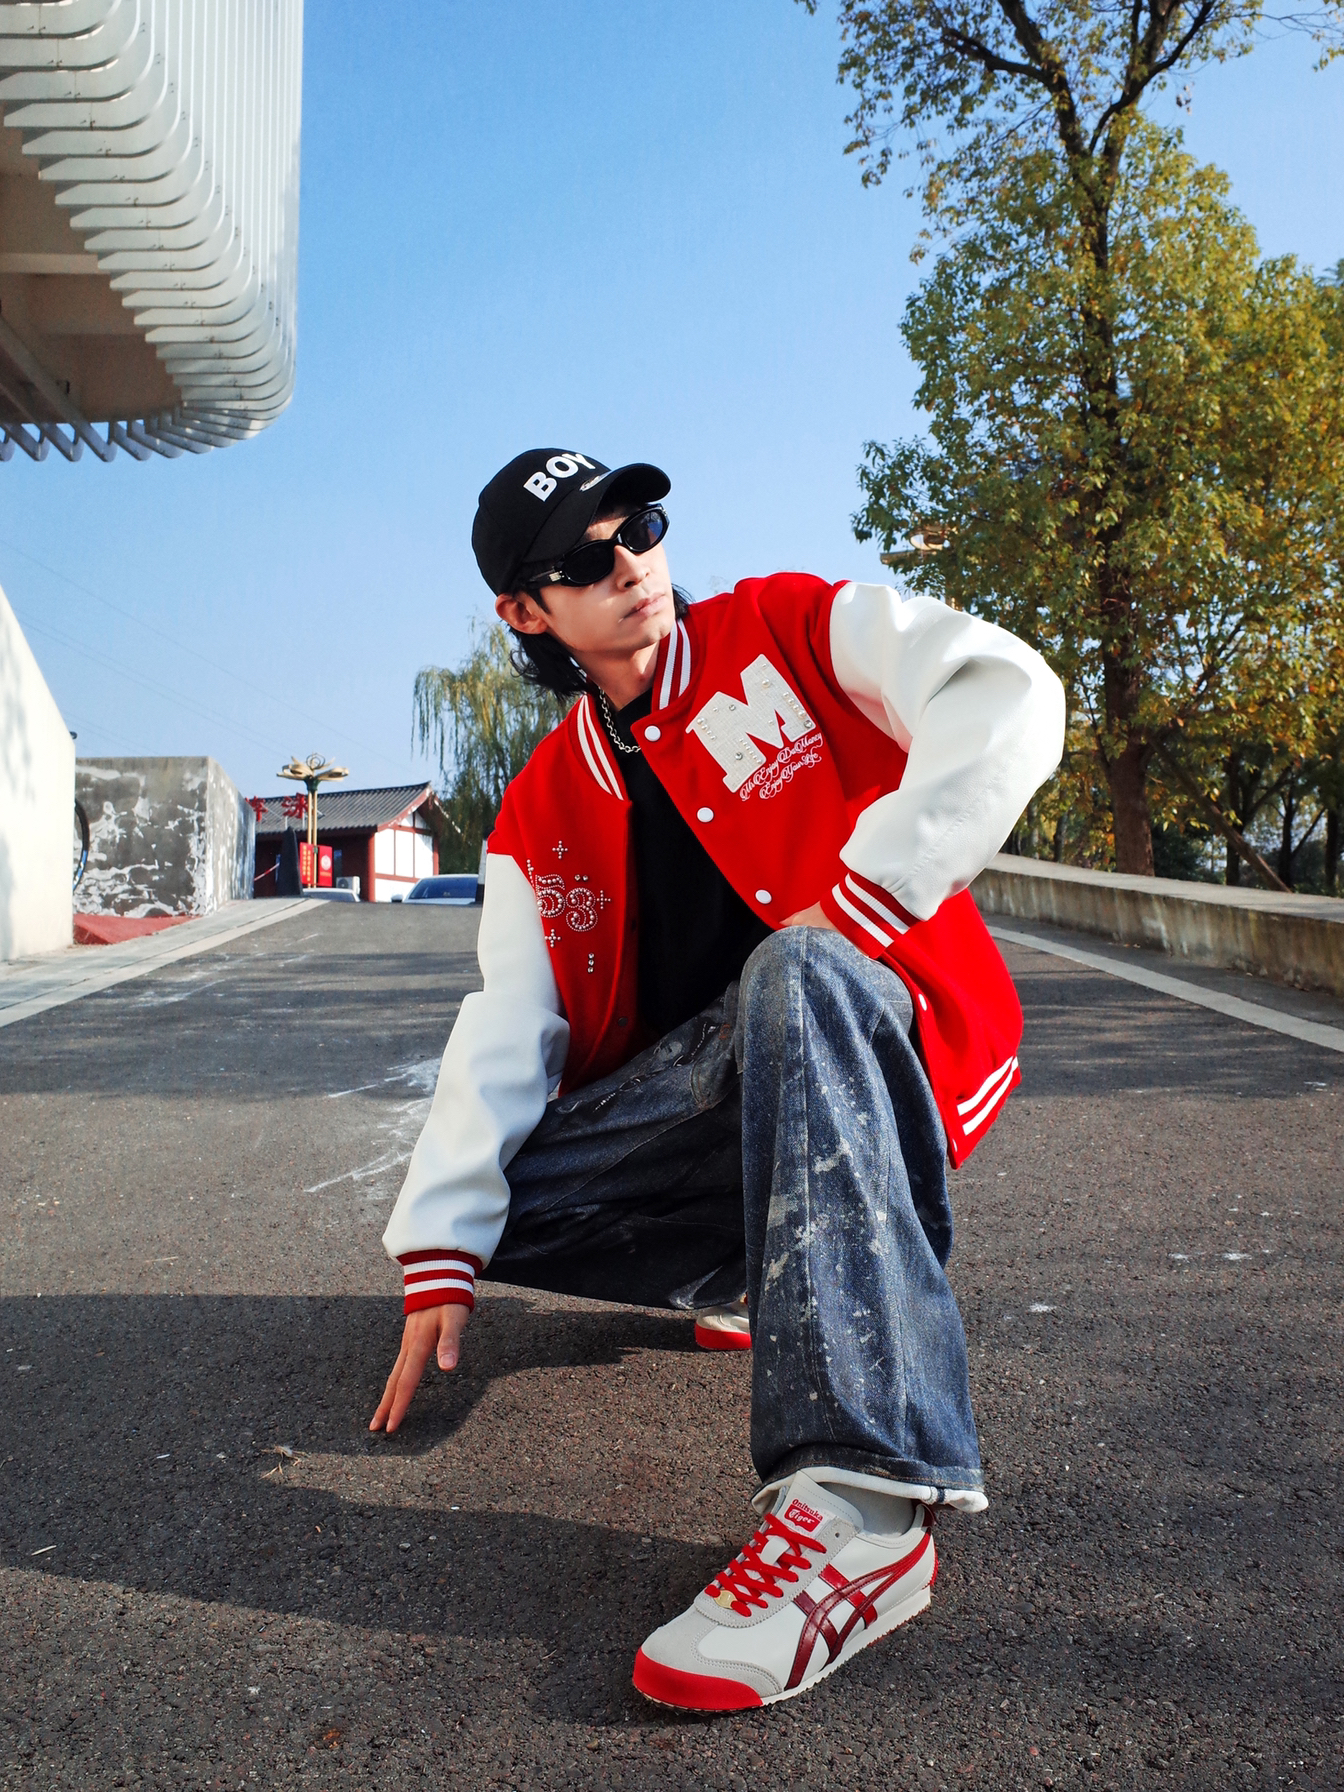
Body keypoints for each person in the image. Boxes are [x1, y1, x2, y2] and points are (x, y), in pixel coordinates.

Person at [371, 449, 1065, 1711]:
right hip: (713, 1088)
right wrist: (442, 1246)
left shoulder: (786, 629)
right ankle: (762, 1264)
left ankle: (867, 1500)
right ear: (525, 610)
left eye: (638, 526)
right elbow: (508, 1022)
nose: (630, 563)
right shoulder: (538, 810)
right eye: (583, 558)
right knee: (489, 1207)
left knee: (796, 967)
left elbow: (1005, 687)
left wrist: (870, 894)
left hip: (874, 1028)